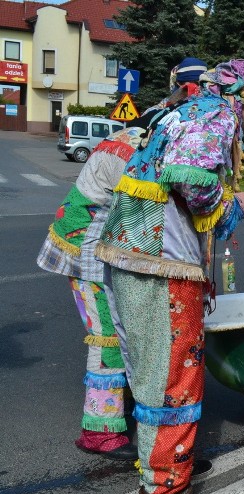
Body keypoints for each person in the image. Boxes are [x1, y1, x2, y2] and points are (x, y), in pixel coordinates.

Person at [96, 59, 244, 494]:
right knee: (175, 380)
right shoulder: (218, 114)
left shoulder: (183, 110)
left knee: (153, 373)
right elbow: (188, 176)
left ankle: (162, 472)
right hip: (160, 264)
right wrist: (233, 203)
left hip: (132, 253)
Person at [36, 127, 148, 461]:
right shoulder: (137, 151)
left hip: (89, 244)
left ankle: (118, 409)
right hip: (87, 251)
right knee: (107, 339)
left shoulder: (136, 135)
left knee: (114, 334)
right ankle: (99, 432)